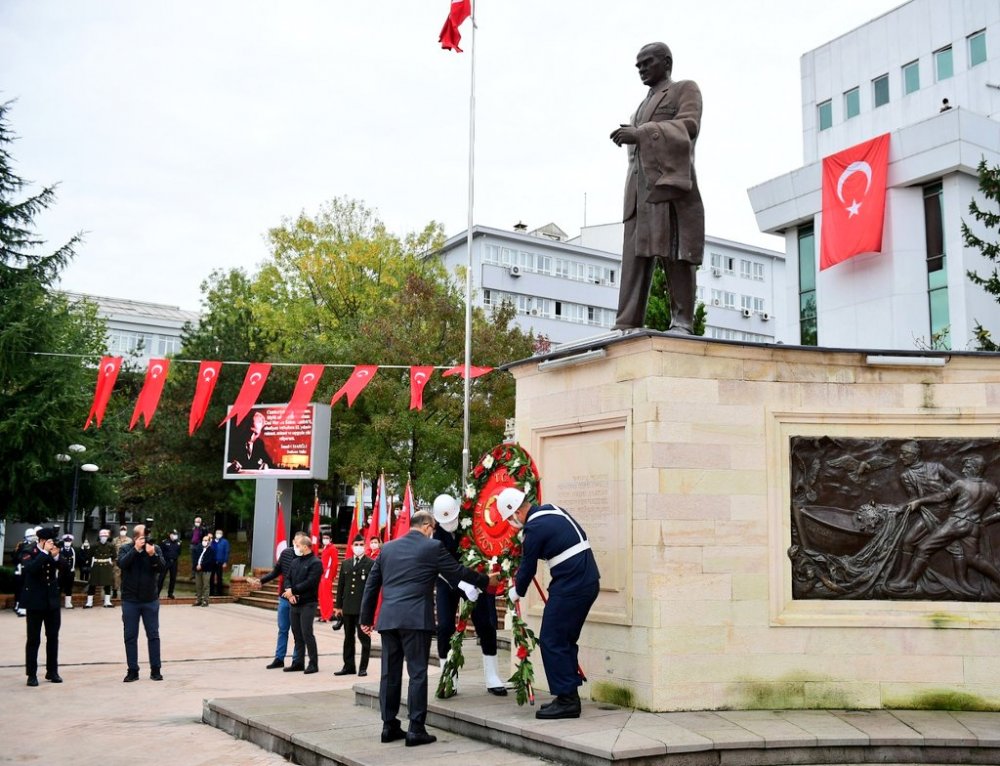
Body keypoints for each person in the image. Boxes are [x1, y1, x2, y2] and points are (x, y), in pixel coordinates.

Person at [360, 510, 493, 748]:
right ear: (428, 526)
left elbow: (372, 584)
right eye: (433, 528)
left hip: (389, 619)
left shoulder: (387, 548)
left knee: (389, 674)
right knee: (417, 674)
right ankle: (415, 728)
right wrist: (485, 581)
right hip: (415, 620)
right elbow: (457, 572)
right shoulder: (432, 548)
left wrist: (366, 618)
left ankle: (388, 725)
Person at [609, 41, 704, 333]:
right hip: (638, 190)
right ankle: (627, 321)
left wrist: (641, 133)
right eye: (638, 65)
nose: (641, 69)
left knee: (674, 250)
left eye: (646, 63)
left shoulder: (683, 89)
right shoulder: (641, 105)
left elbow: (689, 126)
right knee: (634, 255)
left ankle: (683, 321)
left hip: (668, 185)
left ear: (666, 62)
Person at [498, 487, 600, 720]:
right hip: (584, 582)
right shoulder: (552, 510)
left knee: (551, 639)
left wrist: (516, 591)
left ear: (516, 513)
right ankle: (569, 694)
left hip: (572, 586)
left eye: (510, 519)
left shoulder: (534, 527)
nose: (512, 523)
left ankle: (567, 700)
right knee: (563, 639)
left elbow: (528, 567)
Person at [888, 455, 1000, 593]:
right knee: (974, 558)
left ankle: (907, 582)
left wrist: (920, 501)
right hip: (973, 527)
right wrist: (985, 521)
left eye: (967, 467)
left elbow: (943, 496)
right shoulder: (992, 488)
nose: (963, 470)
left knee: (924, 548)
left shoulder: (961, 484)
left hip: (956, 523)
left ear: (976, 469)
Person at [432, 494, 507, 696]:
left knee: (486, 624)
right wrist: (464, 585)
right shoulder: (435, 535)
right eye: (445, 521)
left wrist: (478, 577)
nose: (450, 524)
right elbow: (443, 566)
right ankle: (449, 679)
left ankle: (492, 677)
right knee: (445, 627)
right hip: (448, 581)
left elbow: (480, 546)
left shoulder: (468, 523)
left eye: (453, 519)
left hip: (475, 577)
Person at [895, 442, 966, 588]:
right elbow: (913, 498)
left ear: (914, 455)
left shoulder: (937, 467)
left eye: (904, 454)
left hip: (946, 511)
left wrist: (947, 495)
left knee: (952, 545)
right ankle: (902, 576)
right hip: (928, 512)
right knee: (908, 541)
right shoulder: (906, 476)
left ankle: (962, 583)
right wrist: (899, 508)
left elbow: (959, 483)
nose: (901, 457)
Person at [119, 523, 166, 682]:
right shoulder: (126, 548)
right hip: (130, 600)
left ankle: (156, 669)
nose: (144, 540)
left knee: (153, 635)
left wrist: (152, 555)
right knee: (130, 636)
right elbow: (122, 564)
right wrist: (136, 550)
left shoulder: (155, 549)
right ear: (134, 538)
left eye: (145, 537)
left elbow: (161, 568)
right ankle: (133, 670)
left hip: (150, 600)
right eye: (141, 538)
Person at [21, 526, 63, 686]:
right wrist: (44, 553)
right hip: (35, 602)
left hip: (52, 602)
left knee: (53, 638)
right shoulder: (28, 551)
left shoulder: (53, 552)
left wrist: (57, 557)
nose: (52, 544)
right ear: (42, 541)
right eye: (49, 542)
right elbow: (30, 568)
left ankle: (52, 671)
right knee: (33, 639)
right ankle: (31, 674)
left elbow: (64, 570)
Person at [252, 540, 302, 670]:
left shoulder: (308, 557)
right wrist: (261, 581)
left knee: (297, 631)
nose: (299, 546)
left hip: (298, 599)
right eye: (297, 543)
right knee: (282, 629)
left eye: (301, 543)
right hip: (284, 598)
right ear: (293, 542)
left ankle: (297, 660)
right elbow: (275, 572)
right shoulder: (286, 554)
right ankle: (279, 658)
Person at [333, 535, 373, 677]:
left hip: (363, 609)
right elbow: (341, 586)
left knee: (364, 639)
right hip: (348, 607)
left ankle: (363, 667)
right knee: (348, 638)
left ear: (365, 546)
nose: (358, 546)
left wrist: (371, 609)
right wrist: (338, 606)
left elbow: (373, 588)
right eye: (356, 544)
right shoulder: (346, 563)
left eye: (361, 544)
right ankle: (348, 666)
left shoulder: (371, 563)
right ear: (351, 546)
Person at [283, 532, 322, 674]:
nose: (296, 548)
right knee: (297, 633)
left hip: (308, 603)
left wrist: (293, 591)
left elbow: (310, 582)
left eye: (298, 545)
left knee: (307, 633)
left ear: (305, 547)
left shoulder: (316, 563)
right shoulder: (295, 562)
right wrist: (289, 592)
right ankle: (298, 662)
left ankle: (313, 663)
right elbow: (288, 578)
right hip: (294, 603)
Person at [85, 528, 116, 608]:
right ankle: (89, 602)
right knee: (92, 584)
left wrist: (110, 563)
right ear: (99, 536)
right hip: (97, 565)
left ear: (108, 536)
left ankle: (107, 602)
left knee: (108, 584)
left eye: (105, 536)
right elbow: (89, 555)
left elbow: (114, 556)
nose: (104, 537)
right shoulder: (94, 545)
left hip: (106, 565)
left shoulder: (111, 546)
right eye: (102, 536)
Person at [13, 526, 39, 617]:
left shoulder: (36, 545)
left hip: (32, 569)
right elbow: (17, 557)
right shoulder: (22, 546)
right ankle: (20, 606)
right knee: (22, 588)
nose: (32, 537)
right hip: (23, 569)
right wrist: (18, 567)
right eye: (30, 536)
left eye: (33, 535)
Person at [318, 532, 340, 622]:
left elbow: (334, 563)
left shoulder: (333, 548)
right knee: (322, 595)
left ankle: (328, 615)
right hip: (322, 574)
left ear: (330, 539)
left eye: (327, 538)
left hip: (327, 575)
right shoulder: (325, 548)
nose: (325, 539)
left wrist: (332, 575)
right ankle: (323, 614)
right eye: (324, 538)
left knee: (327, 595)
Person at [192, 532, 216, 607]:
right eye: (203, 540)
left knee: (206, 585)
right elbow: (194, 557)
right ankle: (198, 600)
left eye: (206, 540)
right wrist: (196, 565)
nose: (204, 542)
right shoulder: (198, 548)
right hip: (197, 569)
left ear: (209, 541)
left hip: (206, 570)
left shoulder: (211, 550)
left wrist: (201, 565)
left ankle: (205, 601)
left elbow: (210, 561)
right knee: (198, 585)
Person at [158, 529, 181, 599]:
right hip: (166, 562)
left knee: (173, 578)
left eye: (175, 534)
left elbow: (179, 552)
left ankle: (170, 593)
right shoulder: (164, 542)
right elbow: (160, 552)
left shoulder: (179, 543)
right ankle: (157, 593)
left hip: (174, 562)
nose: (174, 536)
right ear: (170, 535)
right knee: (161, 578)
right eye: (173, 534)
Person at [111, 525, 132, 599]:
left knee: (126, 577)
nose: (123, 531)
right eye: (122, 529)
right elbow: (112, 550)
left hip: (126, 561)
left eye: (124, 529)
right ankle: (114, 592)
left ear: (126, 531)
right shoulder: (115, 540)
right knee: (116, 577)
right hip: (117, 561)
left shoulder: (129, 540)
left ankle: (124, 592)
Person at [58, 534, 78, 609]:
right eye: (66, 541)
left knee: (69, 587)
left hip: (70, 571)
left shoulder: (73, 550)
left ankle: (68, 603)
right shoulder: (60, 550)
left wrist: (73, 570)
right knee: (59, 587)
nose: (67, 542)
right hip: (62, 571)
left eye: (69, 541)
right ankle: (57, 603)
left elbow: (75, 560)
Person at [210, 528, 230, 597]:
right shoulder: (212, 542)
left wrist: (225, 562)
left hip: (220, 562)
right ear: (215, 534)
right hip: (212, 562)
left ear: (222, 534)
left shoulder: (225, 542)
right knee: (211, 577)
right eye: (217, 533)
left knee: (219, 577)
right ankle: (211, 592)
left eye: (220, 533)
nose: (218, 534)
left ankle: (219, 592)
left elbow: (226, 552)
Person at [189, 516, 205, 581]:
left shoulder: (203, 529)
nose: (197, 523)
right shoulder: (192, 528)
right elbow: (189, 535)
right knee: (193, 560)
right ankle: (193, 574)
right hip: (192, 545)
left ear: (200, 522)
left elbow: (204, 537)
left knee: (199, 560)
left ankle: (198, 574)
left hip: (199, 545)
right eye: (196, 521)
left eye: (198, 522)